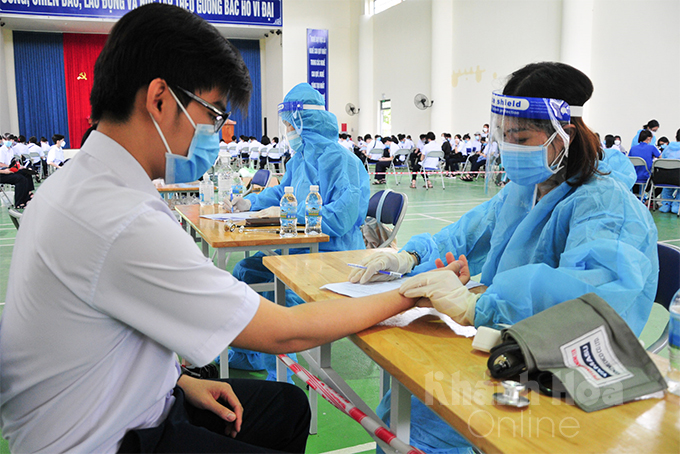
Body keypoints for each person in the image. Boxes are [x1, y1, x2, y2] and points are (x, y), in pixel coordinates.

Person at [0, 6, 418, 453]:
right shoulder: (122, 217)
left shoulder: (79, 183)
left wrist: (177, 380)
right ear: (160, 99)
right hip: (106, 439)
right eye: (213, 114)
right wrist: (405, 292)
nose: (216, 134)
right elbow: (287, 332)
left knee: (287, 406)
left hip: (111, 401)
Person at [348, 62, 658, 454]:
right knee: (408, 399)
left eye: (523, 138)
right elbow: (466, 234)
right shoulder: (523, 190)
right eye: (506, 136)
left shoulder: (607, 207)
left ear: (565, 137)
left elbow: (587, 304)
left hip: (563, 368)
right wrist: (408, 256)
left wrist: (476, 306)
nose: (510, 148)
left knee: (426, 417)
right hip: (502, 342)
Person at [223, 82, 371, 381]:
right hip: (299, 247)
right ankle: (247, 353)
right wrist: (248, 203)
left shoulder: (343, 162)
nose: (288, 130)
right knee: (246, 272)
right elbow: (281, 193)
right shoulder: (300, 160)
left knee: (283, 297)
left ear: (306, 123)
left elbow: (341, 219)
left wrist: (294, 213)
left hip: (333, 254)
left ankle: (283, 377)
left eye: (291, 124)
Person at [629, 129, 661, 196]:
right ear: (649, 138)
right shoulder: (652, 148)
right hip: (646, 176)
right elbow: (660, 158)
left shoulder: (633, 148)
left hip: (634, 176)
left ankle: (637, 198)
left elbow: (629, 161)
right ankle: (648, 200)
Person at [658, 128, 680, 213]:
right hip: (678, 179)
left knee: (667, 188)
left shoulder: (667, 148)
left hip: (665, 178)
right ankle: (677, 206)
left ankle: (666, 205)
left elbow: (662, 160)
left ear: (676, 137)